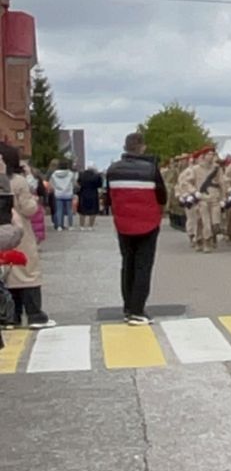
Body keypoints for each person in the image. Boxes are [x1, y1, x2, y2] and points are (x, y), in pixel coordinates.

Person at [104, 132, 166, 326]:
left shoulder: (113, 169)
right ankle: (138, 310)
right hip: (148, 223)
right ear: (142, 147)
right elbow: (162, 195)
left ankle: (128, 307)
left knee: (127, 264)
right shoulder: (151, 169)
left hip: (123, 224)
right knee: (143, 266)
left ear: (125, 147)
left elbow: (108, 197)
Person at [2, 143, 52, 327]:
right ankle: (34, 314)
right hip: (18, 232)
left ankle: (11, 316)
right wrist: (35, 200)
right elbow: (28, 209)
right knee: (28, 272)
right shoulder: (17, 181)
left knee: (7, 275)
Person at [76, 163, 103, 230]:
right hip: (93, 193)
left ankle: (82, 226)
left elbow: (78, 183)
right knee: (93, 211)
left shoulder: (81, 175)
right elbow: (100, 185)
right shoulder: (97, 176)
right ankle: (90, 226)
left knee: (82, 211)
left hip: (83, 193)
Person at [49, 160, 75, 231]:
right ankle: (70, 225)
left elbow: (51, 184)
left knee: (59, 210)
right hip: (68, 193)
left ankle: (59, 226)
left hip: (58, 194)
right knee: (69, 210)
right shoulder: (70, 174)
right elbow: (73, 183)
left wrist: (56, 189)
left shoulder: (54, 174)